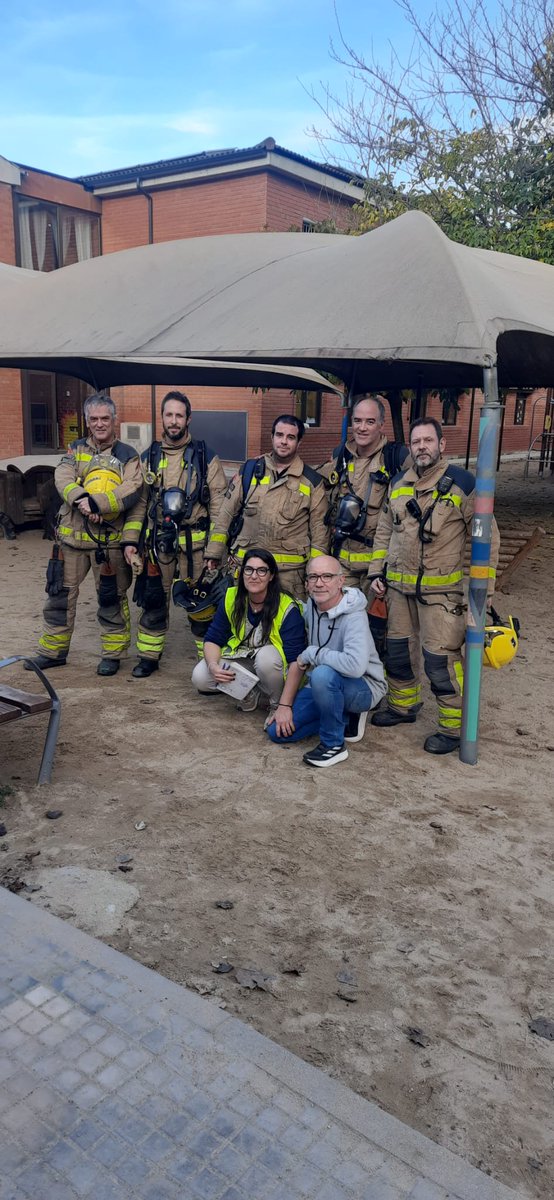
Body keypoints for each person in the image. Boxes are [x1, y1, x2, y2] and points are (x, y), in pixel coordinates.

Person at [368, 417, 500, 754]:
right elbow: (384, 531)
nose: (422, 447)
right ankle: (403, 707)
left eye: (428, 440)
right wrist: (375, 573)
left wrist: (482, 591)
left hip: (441, 597)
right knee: (396, 654)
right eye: (416, 442)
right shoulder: (399, 482)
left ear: (442, 445)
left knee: (439, 663)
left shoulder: (463, 483)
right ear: (410, 447)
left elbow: (488, 537)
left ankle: (453, 729)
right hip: (396, 591)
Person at [26, 394, 142, 676]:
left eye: (105, 418)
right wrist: (82, 499)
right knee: (58, 597)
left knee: (111, 599)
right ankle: (52, 652)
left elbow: (132, 489)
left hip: (109, 543)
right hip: (71, 541)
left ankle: (112, 655)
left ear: (114, 420)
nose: (100, 424)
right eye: (94, 419)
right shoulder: (75, 450)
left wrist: (98, 504)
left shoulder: (129, 455)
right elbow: (62, 478)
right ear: (87, 422)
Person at [122, 391, 227, 676]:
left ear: (188, 419)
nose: (173, 420)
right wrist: (132, 541)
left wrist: (215, 552)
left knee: (202, 608)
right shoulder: (149, 457)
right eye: (168, 414)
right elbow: (139, 506)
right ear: (162, 419)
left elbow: (220, 507)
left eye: (179, 415)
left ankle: (209, 664)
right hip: (158, 547)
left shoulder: (206, 457)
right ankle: (148, 657)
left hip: (197, 549)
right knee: (154, 602)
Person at [266, 554, 386, 767]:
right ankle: (346, 716)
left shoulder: (354, 615)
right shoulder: (312, 605)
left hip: (363, 687)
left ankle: (333, 745)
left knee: (322, 673)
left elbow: (355, 666)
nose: (319, 583)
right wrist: (284, 706)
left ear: (341, 581)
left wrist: (313, 653)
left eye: (327, 576)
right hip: (324, 686)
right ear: (307, 583)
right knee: (277, 732)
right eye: (313, 577)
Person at [319, 393, 409, 655]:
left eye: (369, 421)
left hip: (379, 566)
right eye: (357, 421)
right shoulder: (340, 455)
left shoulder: (397, 458)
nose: (362, 427)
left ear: (381, 425)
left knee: (379, 630)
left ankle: (375, 682)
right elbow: (314, 480)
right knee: (342, 627)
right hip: (344, 562)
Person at [204, 414, 328, 601]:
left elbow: (320, 534)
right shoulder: (250, 471)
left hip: (288, 576)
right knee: (243, 624)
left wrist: (315, 575)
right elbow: (226, 514)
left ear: (299, 442)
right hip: (246, 570)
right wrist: (213, 553)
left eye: (290, 437)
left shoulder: (312, 482)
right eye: (279, 435)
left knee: (285, 627)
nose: (284, 441)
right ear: (272, 437)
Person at [191, 548, 306, 715]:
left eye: (262, 571)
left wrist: (285, 706)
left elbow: (297, 661)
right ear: (242, 572)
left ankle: (276, 704)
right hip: (247, 658)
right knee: (201, 676)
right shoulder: (231, 597)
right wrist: (213, 666)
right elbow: (213, 639)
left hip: (278, 666)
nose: (254, 576)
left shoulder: (287, 607)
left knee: (266, 658)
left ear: (271, 576)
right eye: (249, 569)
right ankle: (249, 691)